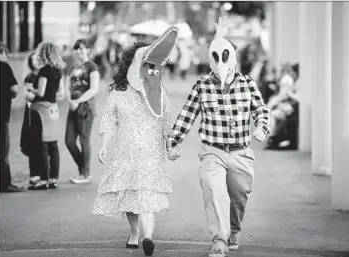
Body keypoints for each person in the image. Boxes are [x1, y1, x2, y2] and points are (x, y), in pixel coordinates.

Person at [167, 18, 271, 257]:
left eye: (226, 56)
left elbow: (261, 109)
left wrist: (262, 127)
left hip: (241, 152)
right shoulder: (202, 86)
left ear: (233, 57)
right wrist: (173, 143)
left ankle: (233, 230)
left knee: (239, 195)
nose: (220, 62)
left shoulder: (247, 84)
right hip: (212, 150)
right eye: (216, 57)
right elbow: (186, 116)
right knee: (214, 192)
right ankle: (220, 240)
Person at [92, 26, 179, 257]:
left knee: (147, 193)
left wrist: (171, 145)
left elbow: (166, 121)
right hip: (126, 150)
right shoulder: (118, 93)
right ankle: (135, 233)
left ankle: (148, 237)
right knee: (130, 195)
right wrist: (103, 145)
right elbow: (109, 120)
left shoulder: (157, 91)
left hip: (151, 151)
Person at [26, 42, 65, 190]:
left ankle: (43, 179)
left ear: (42, 53)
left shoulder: (44, 71)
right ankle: (53, 178)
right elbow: (59, 93)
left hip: (40, 110)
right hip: (53, 108)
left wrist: (31, 88)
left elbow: (40, 92)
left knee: (41, 144)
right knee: (53, 144)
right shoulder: (58, 71)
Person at [65, 39, 100, 184]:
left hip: (86, 107)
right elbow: (67, 87)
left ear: (88, 50)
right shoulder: (72, 68)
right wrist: (70, 101)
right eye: (77, 49)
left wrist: (78, 102)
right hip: (72, 107)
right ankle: (83, 169)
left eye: (82, 48)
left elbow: (94, 89)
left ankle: (85, 174)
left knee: (84, 140)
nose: (79, 51)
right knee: (69, 141)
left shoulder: (92, 66)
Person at [0, 41, 23, 193]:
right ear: (1, 52)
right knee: (2, 151)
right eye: (6, 54)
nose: (7, 58)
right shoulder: (4, 67)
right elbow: (14, 89)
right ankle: (4, 184)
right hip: (1, 115)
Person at [20, 52, 39, 185]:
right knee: (33, 141)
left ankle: (42, 171)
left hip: (43, 111)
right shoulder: (30, 76)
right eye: (32, 59)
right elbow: (27, 95)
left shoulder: (45, 74)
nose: (34, 61)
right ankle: (34, 173)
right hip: (32, 112)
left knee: (44, 142)